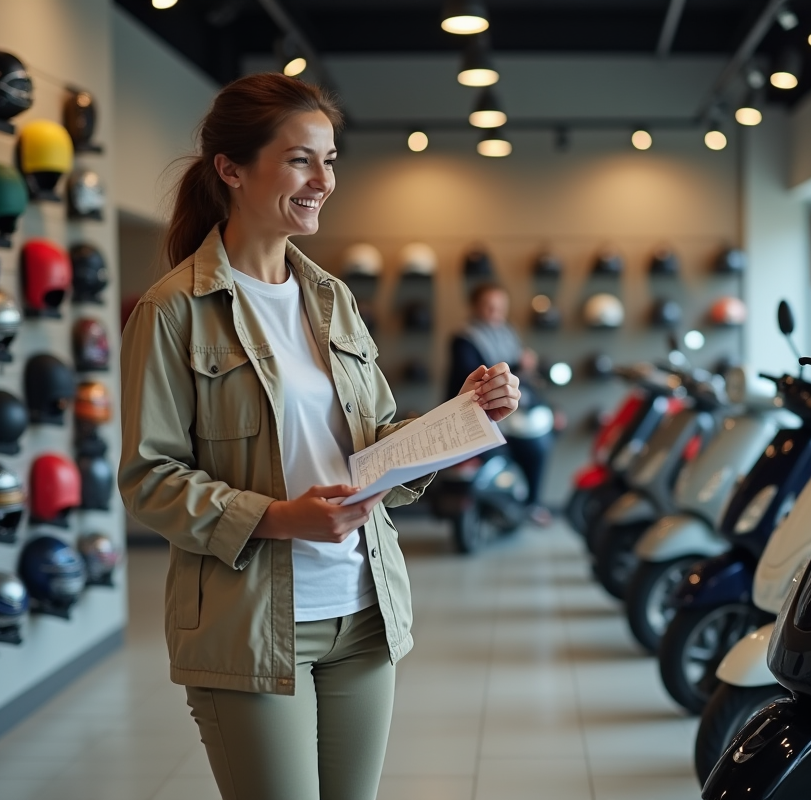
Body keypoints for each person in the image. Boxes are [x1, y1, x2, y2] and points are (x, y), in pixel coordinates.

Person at [117, 73, 519, 800]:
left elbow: (374, 442)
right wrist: (279, 518)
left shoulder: (332, 298)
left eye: (329, 160)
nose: (323, 181)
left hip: (363, 609)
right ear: (231, 169)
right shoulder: (173, 311)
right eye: (300, 159)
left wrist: (462, 416)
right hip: (249, 625)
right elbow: (150, 479)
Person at [447, 282, 555, 524]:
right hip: (476, 411)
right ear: (475, 307)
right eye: (488, 306)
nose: (494, 311)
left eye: (499, 306)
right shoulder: (465, 338)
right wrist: (518, 365)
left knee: (541, 439)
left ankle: (530, 502)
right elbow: (474, 374)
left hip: (510, 411)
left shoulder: (508, 333)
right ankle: (529, 503)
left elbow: (524, 381)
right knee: (534, 446)